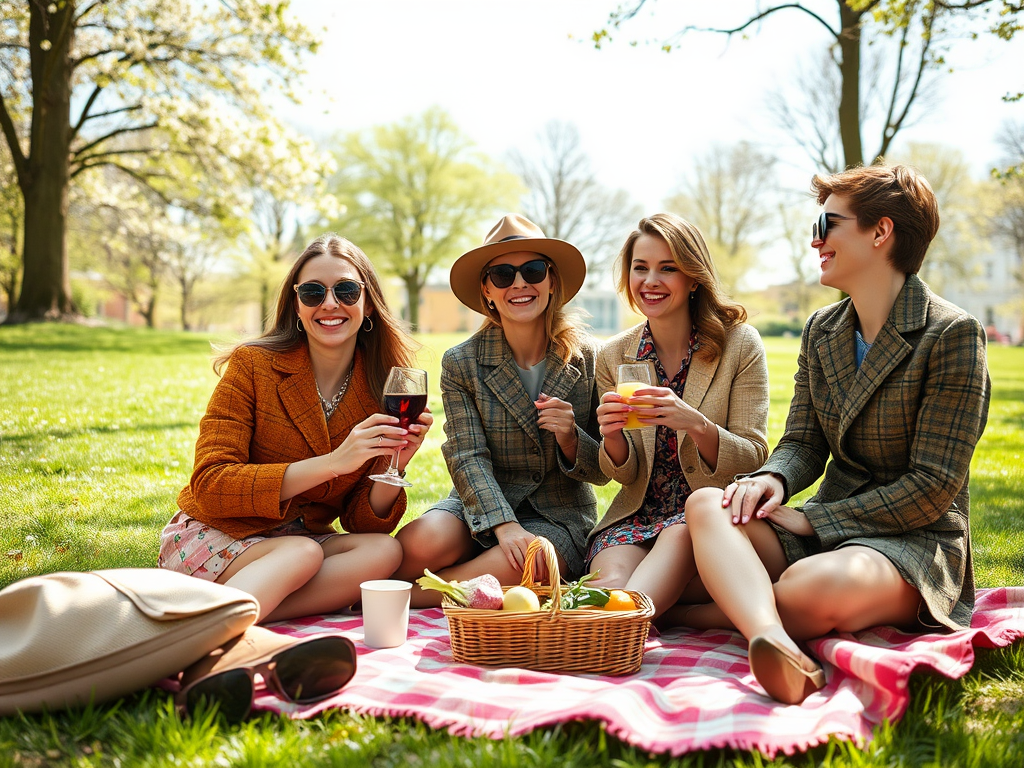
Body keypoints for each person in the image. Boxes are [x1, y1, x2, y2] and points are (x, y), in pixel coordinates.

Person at [681, 164, 991, 705]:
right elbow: (803, 442)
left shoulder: (953, 334)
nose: (815, 238)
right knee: (710, 505)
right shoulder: (822, 330)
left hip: (913, 539)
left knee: (807, 588)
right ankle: (771, 637)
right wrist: (771, 480)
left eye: (830, 223)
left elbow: (933, 487)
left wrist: (815, 518)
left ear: (880, 232)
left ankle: (697, 613)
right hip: (828, 525)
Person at [158, 234, 433, 622]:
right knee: (301, 554)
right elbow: (211, 484)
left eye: (347, 290)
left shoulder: (380, 391)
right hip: (218, 533)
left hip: (302, 541)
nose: (330, 304)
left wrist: (396, 463)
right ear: (297, 306)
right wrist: (334, 463)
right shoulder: (252, 366)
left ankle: (233, 612)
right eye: (313, 292)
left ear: (368, 304)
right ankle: (208, 629)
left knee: (383, 552)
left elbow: (362, 521)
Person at [394, 214, 606, 605]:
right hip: (481, 501)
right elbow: (466, 453)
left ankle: (407, 597)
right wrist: (503, 523)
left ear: (552, 281)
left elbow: (606, 470)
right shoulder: (463, 362)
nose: (520, 283)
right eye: (503, 274)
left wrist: (571, 437)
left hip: (557, 515)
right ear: (487, 291)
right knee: (418, 543)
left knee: (530, 562)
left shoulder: (589, 359)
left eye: (533, 270)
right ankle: (438, 577)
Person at [587, 213, 769, 619]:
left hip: (708, 517)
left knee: (649, 578)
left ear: (693, 278)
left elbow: (754, 454)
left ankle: (623, 630)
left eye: (667, 268)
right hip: (638, 514)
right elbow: (623, 475)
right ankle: (681, 608)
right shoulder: (614, 355)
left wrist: (695, 423)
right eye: (640, 268)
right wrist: (612, 437)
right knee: (607, 589)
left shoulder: (739, 344)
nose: (650, 281)